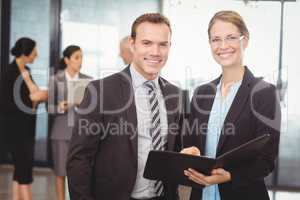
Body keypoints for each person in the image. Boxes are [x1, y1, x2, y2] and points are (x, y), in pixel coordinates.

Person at [67, 13, 184, 200]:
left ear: (170, 47)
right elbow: (79, 159)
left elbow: (175, 151)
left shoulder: (175, 95)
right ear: (132, 44)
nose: (155, 51)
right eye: (147, 43)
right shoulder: (101, 91)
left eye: (163, 44)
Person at [181, 11, 281, 200]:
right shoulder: (202, 93)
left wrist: (230, 176)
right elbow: (190, 143)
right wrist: (191, 152)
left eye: (231, 37)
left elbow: (266, 160)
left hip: (243, 193)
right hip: (202, 194)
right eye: (216, 39)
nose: (223, 46)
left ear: (245, 40)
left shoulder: (264, 93)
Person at [0, 37, 48, 200]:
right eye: (34, 52)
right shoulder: (8, 73)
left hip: (27, 128)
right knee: (24, 171)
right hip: (15, 130)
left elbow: (29, 96)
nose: (37, 55)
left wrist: (39, 97)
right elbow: (6, 104)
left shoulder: (27, 70)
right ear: (26, 53)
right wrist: (34, 98)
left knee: (20, 170)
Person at [48, 45, 91, 200]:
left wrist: (82, 104)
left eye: (82, 57)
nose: (80, 61)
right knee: (60, 172)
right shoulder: (55, 80)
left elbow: (93, 109)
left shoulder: (88, 80)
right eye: (77, 57)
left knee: (81, 172)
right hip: (61, 133)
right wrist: (60, 107)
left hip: (82, 133)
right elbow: (49, 108)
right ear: (67, 60)